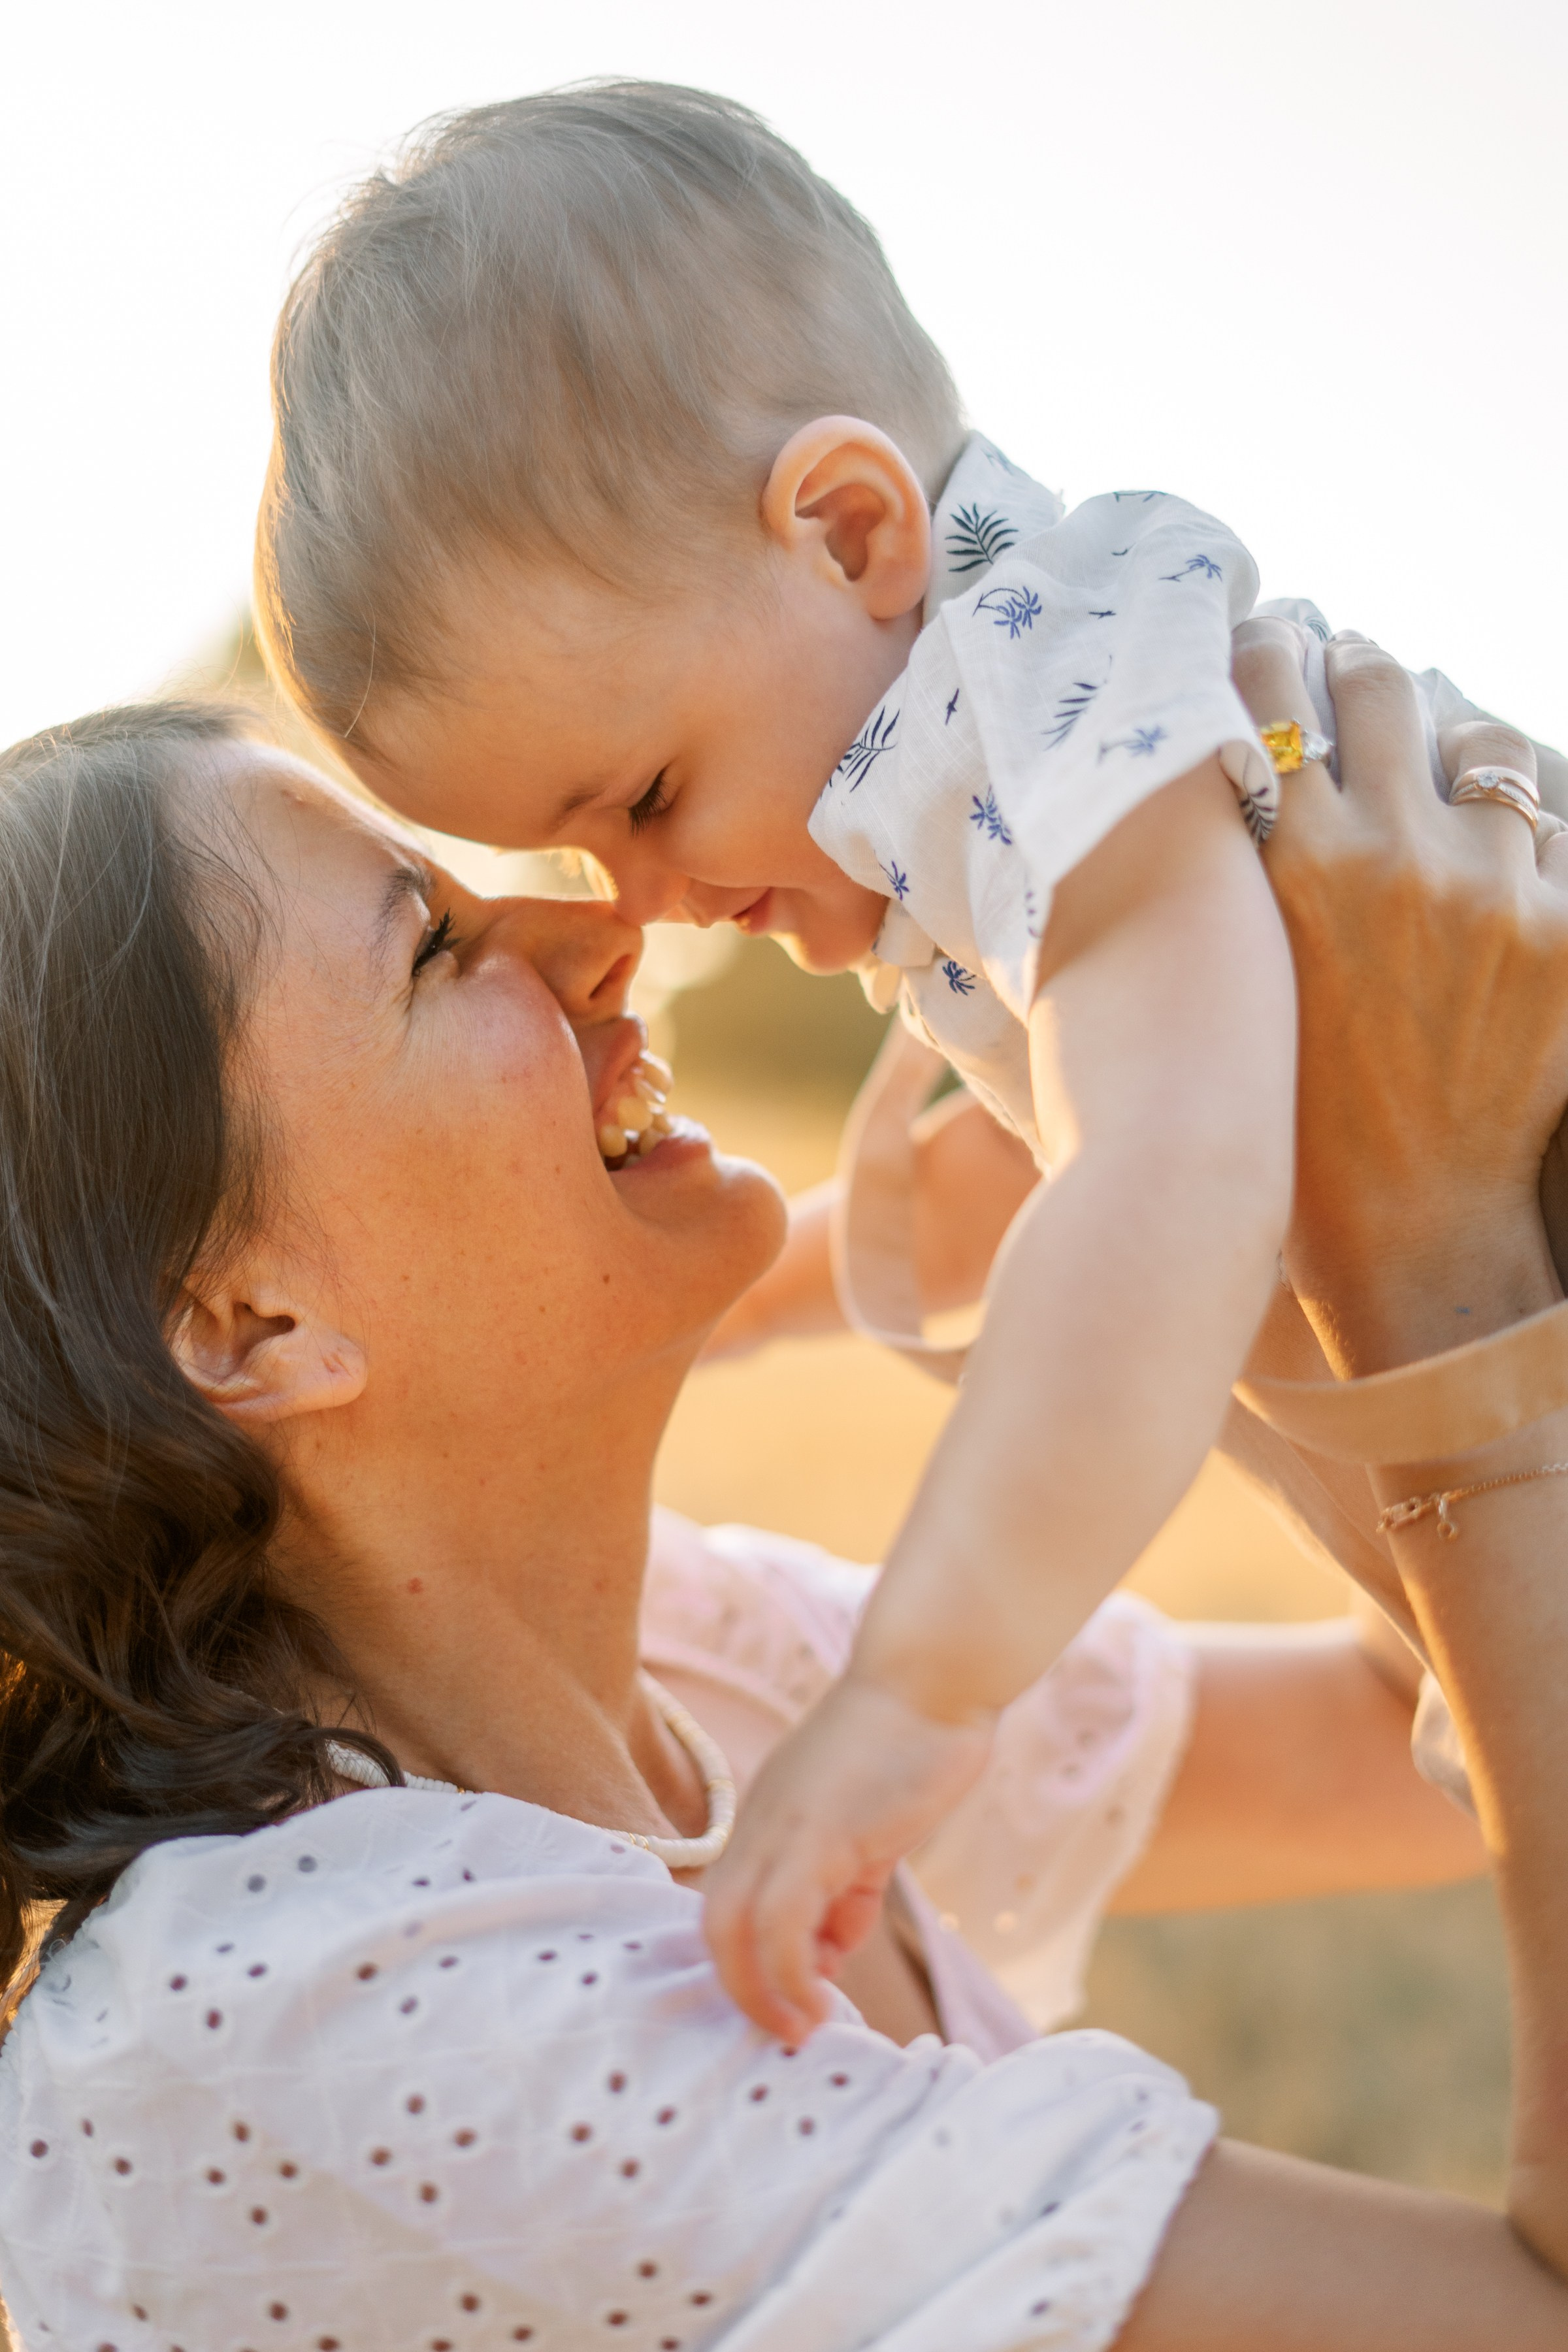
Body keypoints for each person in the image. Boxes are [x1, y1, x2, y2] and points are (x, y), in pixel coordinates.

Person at [3, 668, 1568, 2349]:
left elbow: (1398, 1730)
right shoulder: (309, 2030)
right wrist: (1433, 1261)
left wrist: (1259, 1127)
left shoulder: (693, 1666)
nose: (606, 932)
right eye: (435, 946)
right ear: (249, 1328)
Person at [248, 84, 1565, 2032]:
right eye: (579, 849)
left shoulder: (1062, 689)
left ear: (852, 530)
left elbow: (1158, 1171)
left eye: (652, 793)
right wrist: (761, 1294)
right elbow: (1039, 1155)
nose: (649, 901)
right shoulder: (995, 808)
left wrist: (919, 1684)